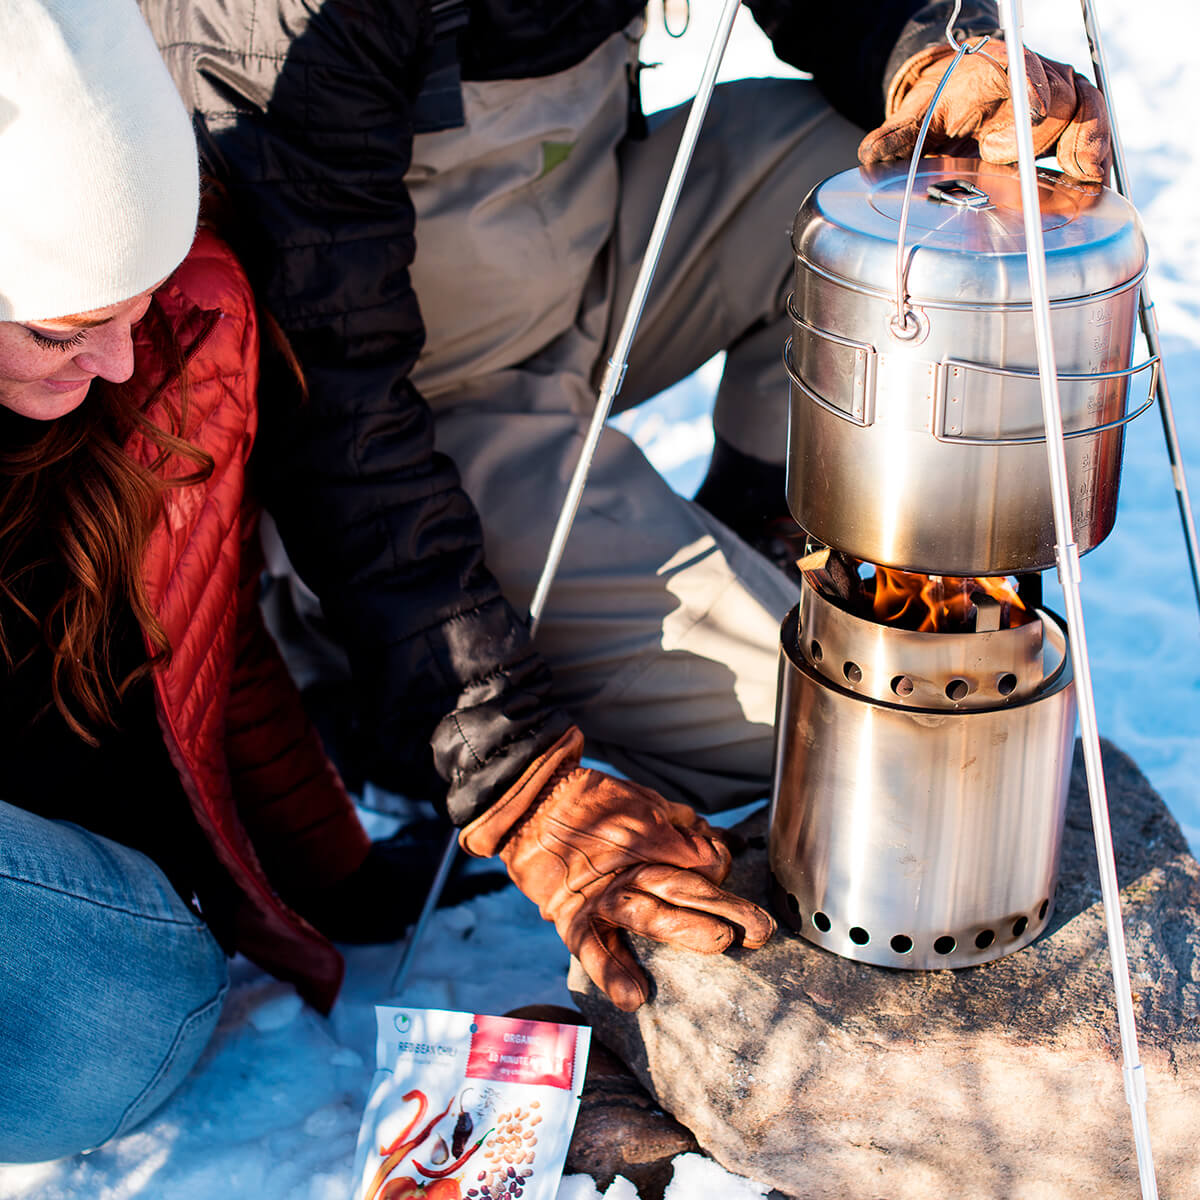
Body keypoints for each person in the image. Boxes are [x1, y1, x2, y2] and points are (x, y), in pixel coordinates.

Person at [138, 0, 1109, 998]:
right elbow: (329, 409)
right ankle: (348, 671)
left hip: (584, 263)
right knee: (842, 747)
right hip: (396, 431)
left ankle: (772, 544)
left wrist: (931, 58)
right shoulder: (287, 20)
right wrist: (512, 774)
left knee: (886, 193)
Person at [1, 2, 777, 1162]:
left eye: (129, 314)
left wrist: (346, 871)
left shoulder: (167, 340)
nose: (114, 360)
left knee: (151, 984)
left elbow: (203, 641)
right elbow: (354, 440)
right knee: (125, 1001)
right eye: (66, 334)